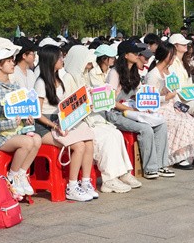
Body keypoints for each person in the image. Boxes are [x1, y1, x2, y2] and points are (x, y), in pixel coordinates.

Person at [63, 45, 140, 193]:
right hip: (78, 122)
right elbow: (67, 105)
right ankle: (109, 179)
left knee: (115, 133)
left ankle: (123, 172)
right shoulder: (68, 79)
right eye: (87, 61)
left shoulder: (83, 76)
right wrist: (86, 104)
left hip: (92, 117)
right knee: (105, 138)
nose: (90, 65)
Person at [33, 45, 98, 201]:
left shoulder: (59, 79)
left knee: (89, 142)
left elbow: (67, 105)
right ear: (51, 60)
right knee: (79, 146)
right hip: (44, 127)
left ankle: (85, 182)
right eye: (60, 57)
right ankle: (72, 186)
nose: (63, 60)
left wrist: (85, 101)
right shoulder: (41, 82)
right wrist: (55, 126)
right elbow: (37, 114)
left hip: (60, 121)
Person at [0, 45, 41, 197]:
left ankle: (21, 174)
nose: (13, 63)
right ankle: (12, 176)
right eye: (9, 61)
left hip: (14, 131)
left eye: (12, 60)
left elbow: (20, 112)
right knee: (27, 142)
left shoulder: (15, 87)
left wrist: (27, 119)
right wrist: (11, 123)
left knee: (37, 139)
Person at [105, 41, 173, 180]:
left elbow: (139, 94)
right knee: (145, 128)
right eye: (134, 53)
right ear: (125, 55)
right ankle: (150, 168)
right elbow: (110, 101)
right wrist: (131, 108)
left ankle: (161, 164)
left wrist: (147, 104)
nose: (137, 55)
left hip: (133, 110)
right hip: (116, 113)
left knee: (161, 124)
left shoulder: (134, 71)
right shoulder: (114, 73)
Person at [145, 42, 194, 169]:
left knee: (191, 121)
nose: (174, 58)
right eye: (172, 55)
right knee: (181, 123)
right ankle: (179, 156)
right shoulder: (153, 75)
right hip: (159, 109)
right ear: (165, 55)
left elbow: (175, 93)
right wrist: (165, 97)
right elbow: (149, 99)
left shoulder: (170, 72)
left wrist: (179, 106)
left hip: (172, 106)